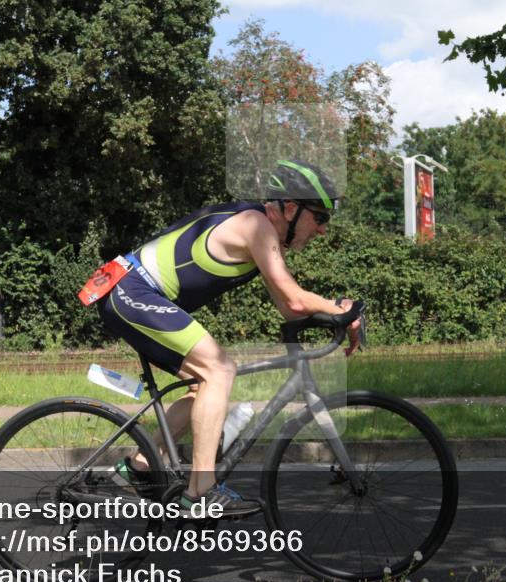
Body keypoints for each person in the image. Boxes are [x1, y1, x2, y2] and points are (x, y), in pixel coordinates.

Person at [97, 159, 361, 516]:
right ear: (291, 208)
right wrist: (342, 308)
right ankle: (199, 493)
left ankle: (141, 465)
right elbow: (296, 299)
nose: (322, 230)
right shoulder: (256, 226)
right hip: (131, 290)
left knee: (202, 388)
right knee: (219, 371)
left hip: (134, 292)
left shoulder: (263, 231)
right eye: (320, 217)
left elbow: (289, 307)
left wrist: (332, 316)